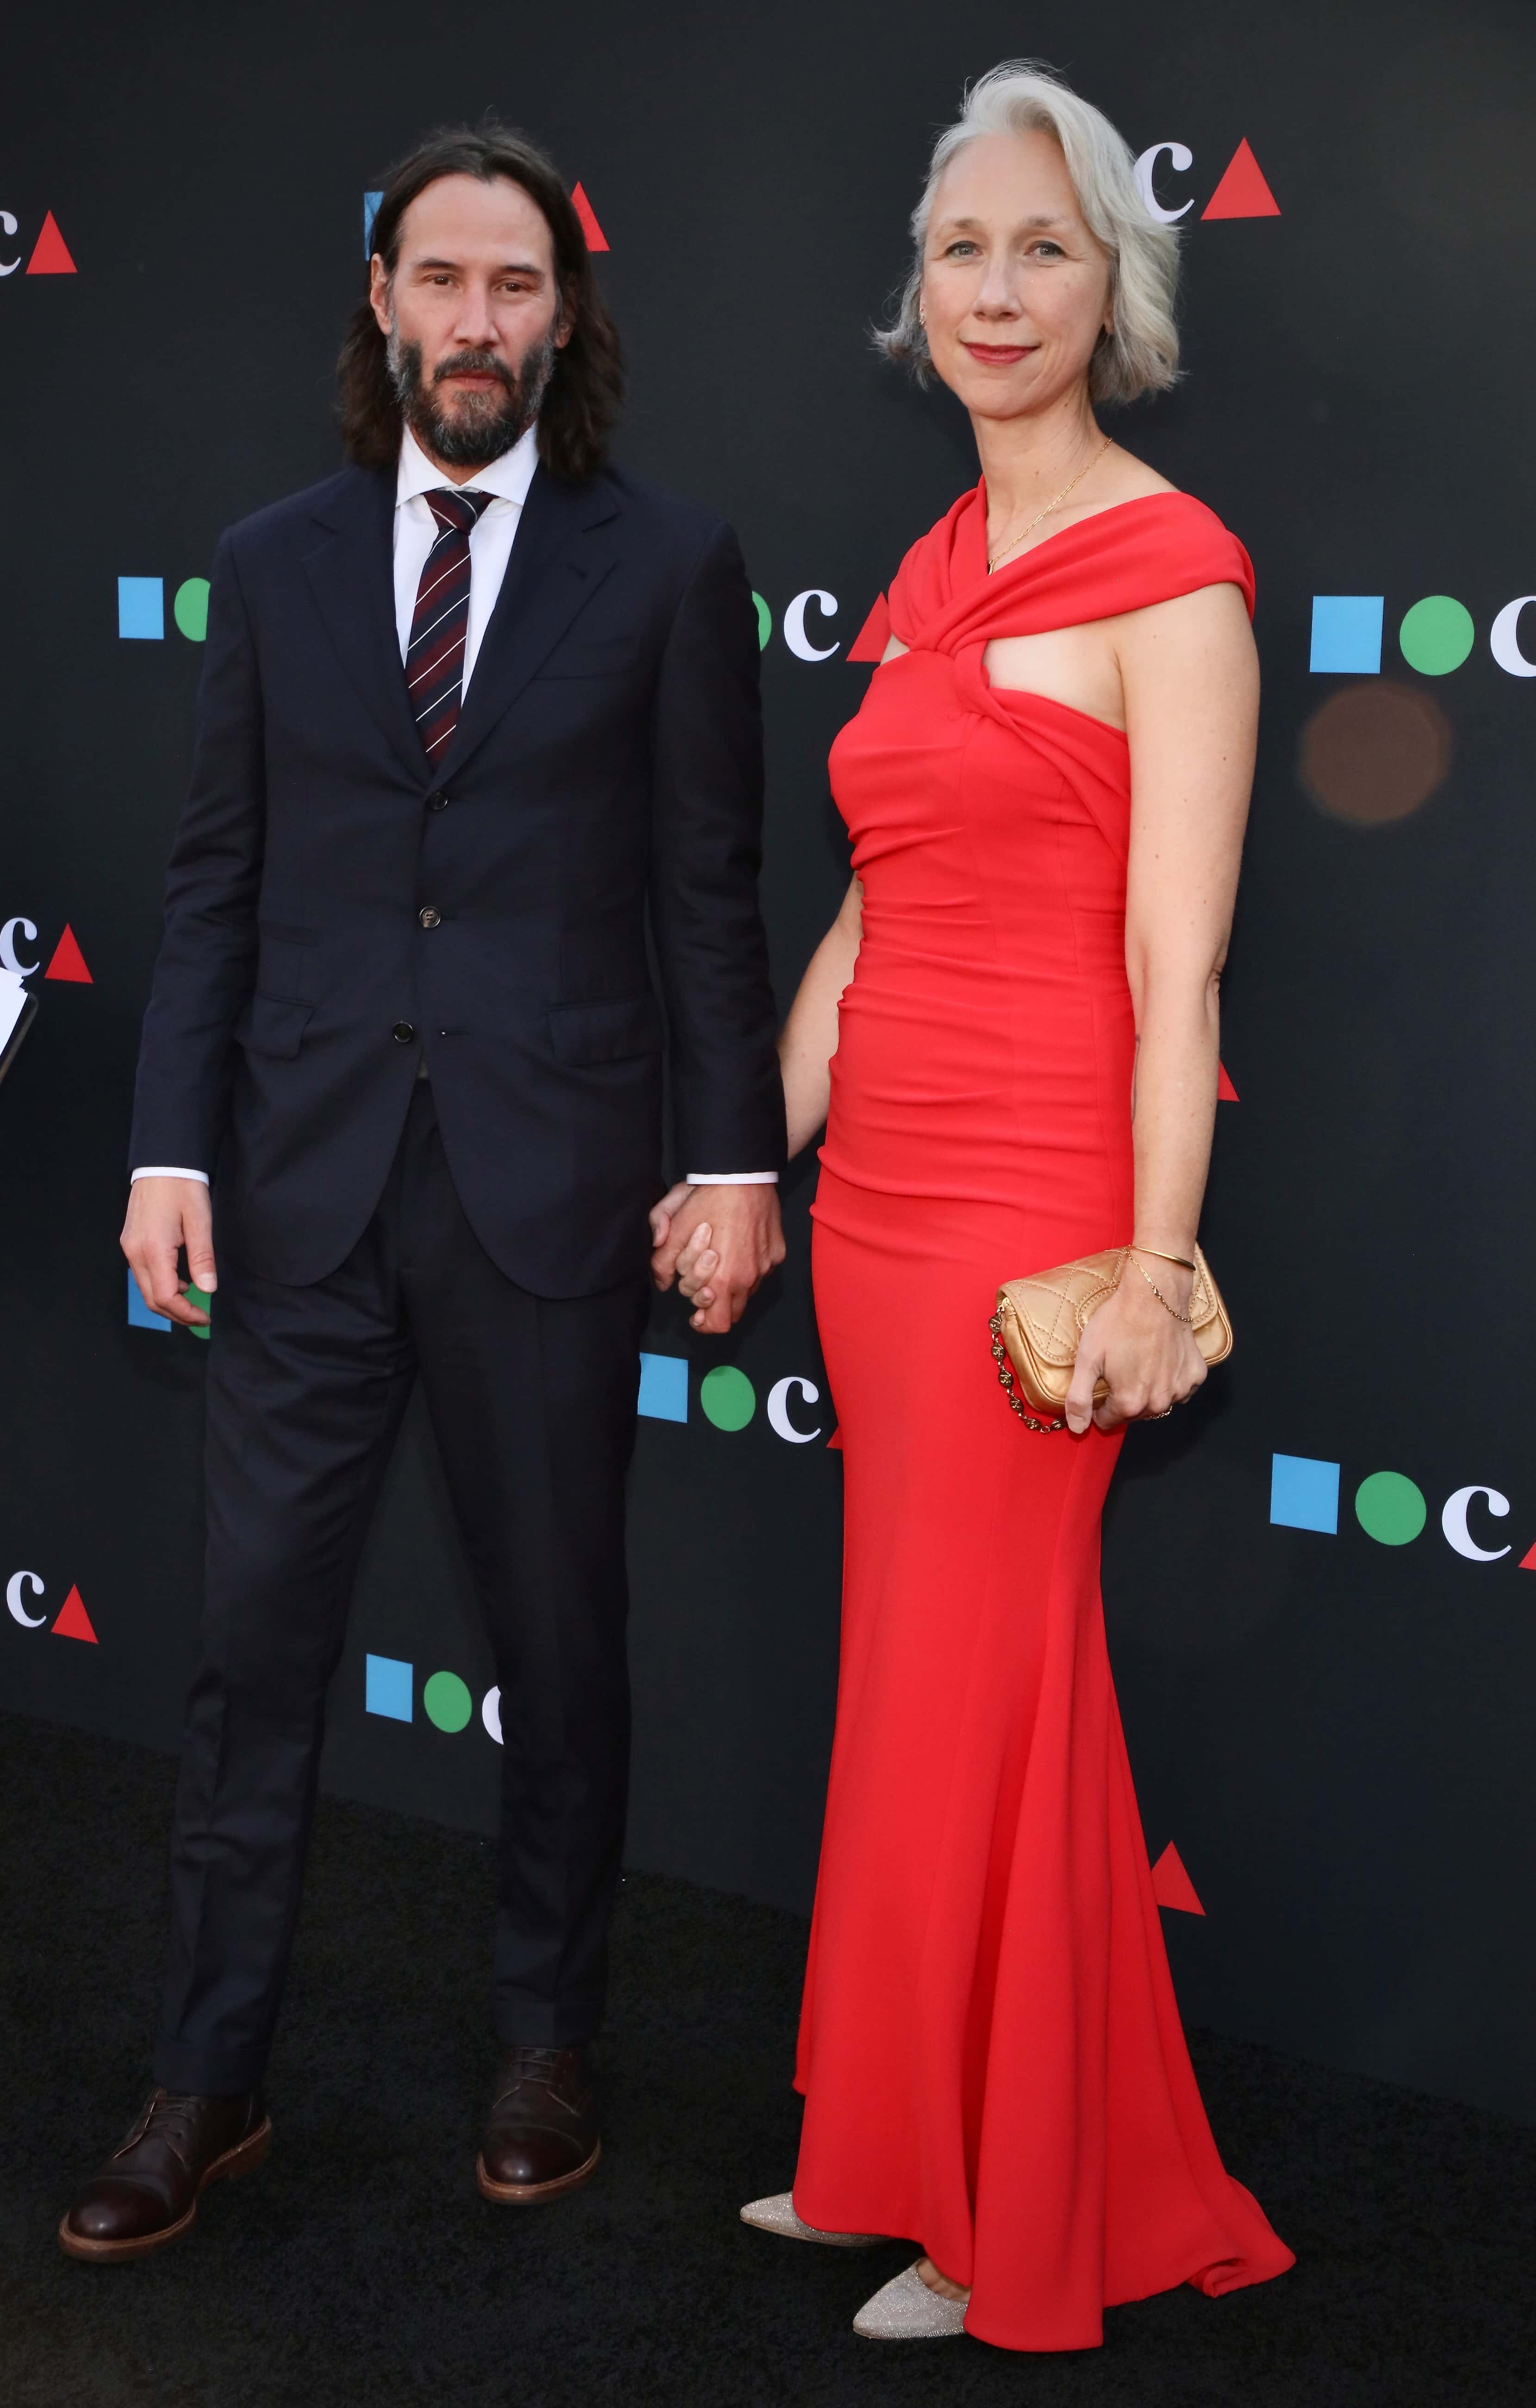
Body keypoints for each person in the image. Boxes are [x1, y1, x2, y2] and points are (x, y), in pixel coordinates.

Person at [59, 122, 785, 2264]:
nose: (479, 321)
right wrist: (171, 1144)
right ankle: (208, 2073)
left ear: (569, 316)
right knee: (253, 1654)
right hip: (292, 1191)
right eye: (442, 280)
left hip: (549, 1189)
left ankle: (550, 2036)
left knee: (559, 1647)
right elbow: (213, 883)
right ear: (379, 301)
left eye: (519, 286)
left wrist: (732, 1157)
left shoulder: (664, 560)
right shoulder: (271, 558)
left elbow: (706, 898)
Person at [680, 60, 1294, 2349]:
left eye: (1044, 245)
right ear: (914, 294)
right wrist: (756, 1155)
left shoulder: (1177, 571)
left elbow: (1177, 963)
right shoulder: (937, 571)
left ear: (1111, 287)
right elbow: (864, 906)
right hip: (879, 1191)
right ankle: (887, 2143)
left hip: (1045, 1207)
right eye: (961, 249)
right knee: (915, 1684)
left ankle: (1011, 2208)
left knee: (1003, 1684)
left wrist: (1149, 1261)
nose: (996, 287)